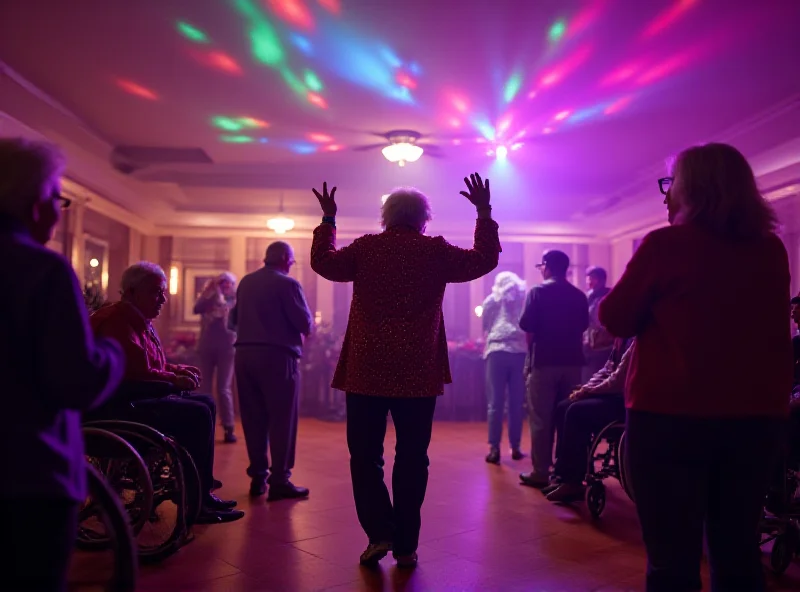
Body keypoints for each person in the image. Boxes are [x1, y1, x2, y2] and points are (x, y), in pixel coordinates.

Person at [599, 143, 792, 592]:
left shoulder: (666, 245)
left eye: (672, 186)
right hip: (755, 419)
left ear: (695, 190)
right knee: (738, 552)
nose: (665, 197)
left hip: (671, 418)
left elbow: (614, 317)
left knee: (672, 558)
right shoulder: (771, 250)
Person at [310, 174, 500, 569]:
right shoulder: (434, 251)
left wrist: (329, 220)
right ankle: (406, 545)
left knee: (364, 457)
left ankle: (380, 532)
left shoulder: (367, 249)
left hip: (367, 370)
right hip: (417, 371)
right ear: (424, 220)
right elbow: (485, 259)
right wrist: (483, 211)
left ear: (385, 218)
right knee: (412, 457)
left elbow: (323, 263)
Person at [0, 138, 125, 591]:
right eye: (59, 197)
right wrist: (112, 353)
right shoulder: (42, 271)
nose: (58, 210)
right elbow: (76, 381)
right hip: (29, 474)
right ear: (35, 203)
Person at [91, 262, 244, 524]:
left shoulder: (139, 320)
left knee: (206, 402)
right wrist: (174, 379)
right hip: (121, 407)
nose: (162, 299)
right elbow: (136, 373)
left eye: (163, 292)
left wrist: (177, 369)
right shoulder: (117, 322)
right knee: (197, 412)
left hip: (136, 396)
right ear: (131, 291)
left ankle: (201, 489)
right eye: (155, 292)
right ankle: (196, 499)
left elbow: (151, 364)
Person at [232, 241, 312, 501]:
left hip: (244, 356)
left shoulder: (245, 282)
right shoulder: (288, 284)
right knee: (282, 420)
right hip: (278, 357)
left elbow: (233, 320)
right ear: (284, 258)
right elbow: (304, 322)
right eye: (291, 260)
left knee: (253, 418)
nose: (291, 265)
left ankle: (258, 478)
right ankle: (280, 480)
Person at [518, 250, 589, 488]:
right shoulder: (579, 295)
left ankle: (541, 471)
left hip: (544, 361)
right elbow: (583, 326)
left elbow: (526, 323)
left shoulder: (537, 292)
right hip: (572, 362)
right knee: (567, 417)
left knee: (541, 417)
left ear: (547, 266)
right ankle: (563, 469)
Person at [545, 338, 633, 503]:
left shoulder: (634, 341)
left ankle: (573, 482)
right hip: (611, 394)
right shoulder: (622, 339)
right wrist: (585, 389)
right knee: (563, 407)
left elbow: (617, 381)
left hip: (623, 400)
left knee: (576, 411)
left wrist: (589, 391)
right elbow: (607, 370)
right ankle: (563, 473)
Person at [481, 271, 528, 464]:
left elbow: (485, 324)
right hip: (519, 353)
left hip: (496, 351)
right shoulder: (523, 299)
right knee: (516, 404)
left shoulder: (492, 300)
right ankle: (515, 447)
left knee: (495, 404)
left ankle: (494, 449)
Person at [194, 272, 238, 444]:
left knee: (223, 388)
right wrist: (210, 293)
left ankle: (228, 427)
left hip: (227, 348)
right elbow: (196, 308)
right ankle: (203, 425)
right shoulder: (208, 299)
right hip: (206, 346)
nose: (225, 286)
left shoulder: (235, 301)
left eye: (228, 283)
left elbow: (238, 322)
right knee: (204, 386)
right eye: (222, 283)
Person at [583, 266, 613, 382]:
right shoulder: (588, 296)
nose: (589, 281)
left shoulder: (608, 295)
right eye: (588, 278)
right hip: (588, 344)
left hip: (604, 344)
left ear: (602, 280)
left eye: (593, 278)